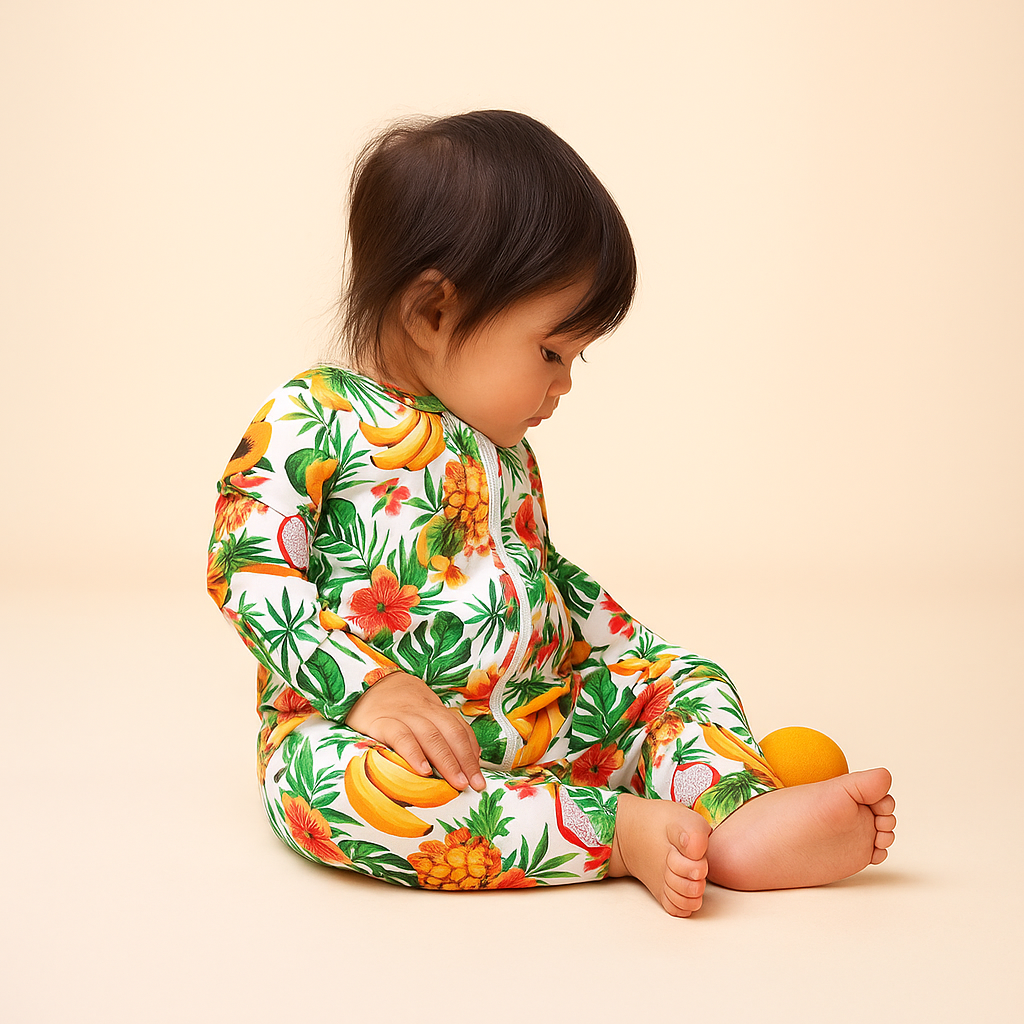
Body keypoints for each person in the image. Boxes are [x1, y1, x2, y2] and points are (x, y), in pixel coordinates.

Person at [207, 110, 896, 916]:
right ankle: (618, 831)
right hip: (382, 734)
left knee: (681, 679)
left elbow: (544, 574)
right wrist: (369, 688)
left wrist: (636, 655)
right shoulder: (311, 415)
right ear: (432, 313)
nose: (564, 383)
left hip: (539, 720)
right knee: (335, 790)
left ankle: (733, 811)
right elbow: (247, 569)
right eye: (551, 352)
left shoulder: (502, 449)